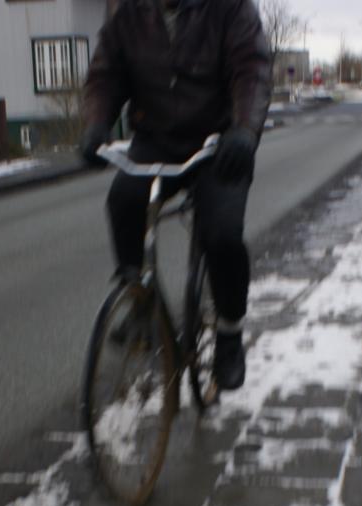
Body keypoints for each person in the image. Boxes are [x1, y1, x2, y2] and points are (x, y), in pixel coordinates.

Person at [80, 0, 272, 390]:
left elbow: (251, 69)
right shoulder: (129, 13)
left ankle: (229, 333)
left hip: (218, 145)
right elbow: (105, 75)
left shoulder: (230, 8)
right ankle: (140, 305)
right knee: (124, 201)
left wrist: (244, 129)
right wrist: (96, 122)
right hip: (156, 140)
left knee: (222, 236)